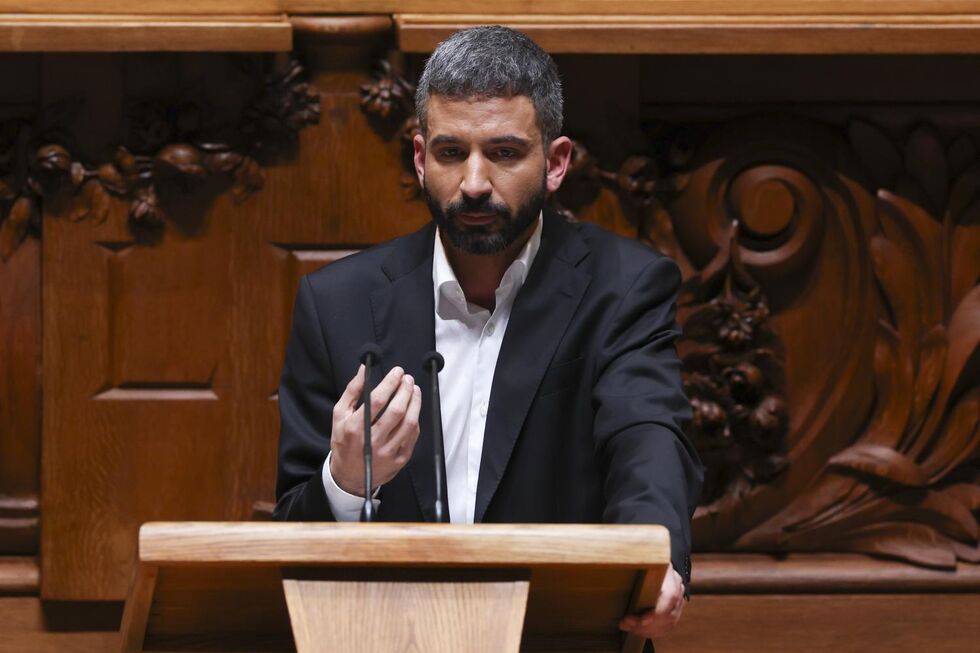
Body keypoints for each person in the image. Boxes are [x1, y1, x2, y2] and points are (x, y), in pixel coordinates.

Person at [274, 25, 703, 642]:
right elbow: (290, 529)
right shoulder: (335, 303)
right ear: (421, 160)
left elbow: (648, 436)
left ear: (555, 163)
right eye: (451, 154)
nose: (474, 183)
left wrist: (655, 556)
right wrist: (345, 481)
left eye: (503, 153)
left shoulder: (624, 287)